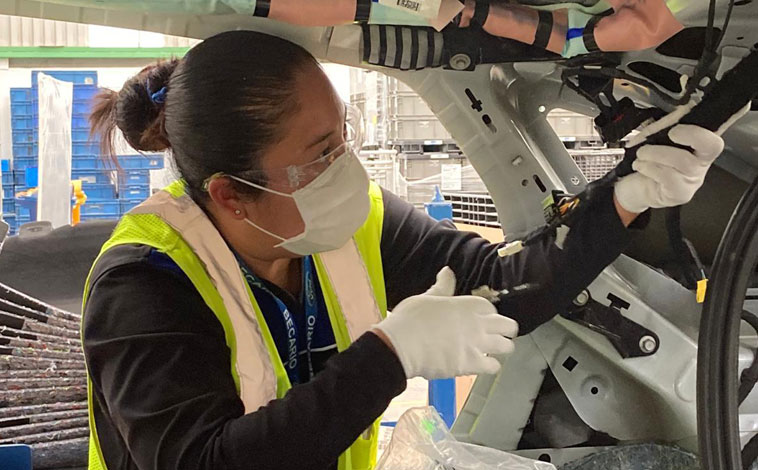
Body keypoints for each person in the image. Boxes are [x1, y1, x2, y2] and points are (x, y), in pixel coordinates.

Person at [83, 30, 727, 470]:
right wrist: (390, 357)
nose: (349, 170)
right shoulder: (143, 283)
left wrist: (627, 195)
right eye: (320, 157)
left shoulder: (356, 221)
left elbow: (503, 285)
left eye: (344, 136)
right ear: (230, 195)